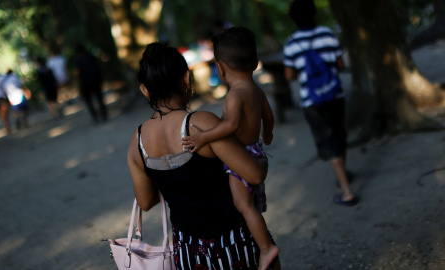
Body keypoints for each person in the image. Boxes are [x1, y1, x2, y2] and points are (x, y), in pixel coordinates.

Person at [128, 42, 280, 270]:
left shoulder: (136, 142)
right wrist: (262, 157)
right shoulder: (202, 124)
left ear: (144, 90)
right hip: (235, 243)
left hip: (189, 253)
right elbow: (255, 175)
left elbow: (145, 201)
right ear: (186, 79)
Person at [181, 27, 279, 270]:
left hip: (242, 155)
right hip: (255, 148)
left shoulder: (235, 95)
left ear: (220, 67)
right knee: (250, 205)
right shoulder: (256, 90)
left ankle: (266, 249)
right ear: (256, 63)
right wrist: (267, 133)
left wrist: (204, 136)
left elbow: (230, 125)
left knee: (243, 206)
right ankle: (262, 243)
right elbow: (268, 116)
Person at [283, 0, 358, 206]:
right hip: (335, 95)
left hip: (312, 101)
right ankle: (343, 173)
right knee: (339, 135)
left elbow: (289, 75)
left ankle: (346, 192)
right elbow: (341, 64)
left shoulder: (291, 43)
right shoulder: (327, 34)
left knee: (328, 141)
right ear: (315, 16)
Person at [74, 45, 108, 124]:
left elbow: (77, 73)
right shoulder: (91, 56)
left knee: (89, 101)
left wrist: (77, 83)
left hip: (85, 83)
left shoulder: (78, 60)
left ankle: (95, 117)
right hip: (96, 80)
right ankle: (104, 115)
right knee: (99, 98)